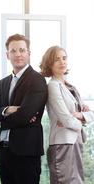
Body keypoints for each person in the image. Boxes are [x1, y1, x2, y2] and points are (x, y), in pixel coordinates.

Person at [0, 33, 48, 184]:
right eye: (13, 51)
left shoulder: (37, 80)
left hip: (26, 152)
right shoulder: (3, 83)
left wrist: (1, 119)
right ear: (7, 55)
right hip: (4, 151)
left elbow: (24, 116)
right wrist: (7, 110)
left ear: (28, 53)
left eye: (22, 50)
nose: (18, 54)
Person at [40, 45, 94, 184]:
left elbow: (90, 114)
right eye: (57, 59)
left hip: (75, 141)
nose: (62, 62)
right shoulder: (52, 86)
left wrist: (79, 116)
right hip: (62, 144)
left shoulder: (71, 87)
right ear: (49, 63)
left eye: (64, 58)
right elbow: (66, 119)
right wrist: (78, 119)